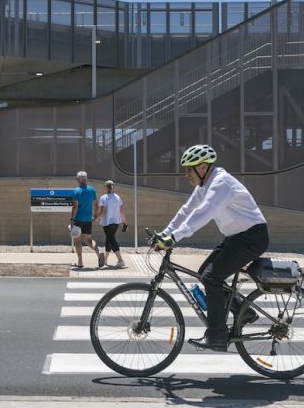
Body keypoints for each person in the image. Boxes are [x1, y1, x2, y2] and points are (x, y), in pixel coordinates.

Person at [153, 144, 268, 351]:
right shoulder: (205, 185)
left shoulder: (221, 183)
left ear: (203, 167)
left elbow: (203, 213)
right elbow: (187, 210)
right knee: (204, 274)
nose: (187, 174)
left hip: (252, 237)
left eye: (189, 169)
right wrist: (165, 233)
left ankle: (217, 335)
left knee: (211, 278)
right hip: (236, 238)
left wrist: (175, 238)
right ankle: (244, 311)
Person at [69, 171, 105, 268]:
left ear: (80, 179)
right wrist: (96, 216)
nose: (76, 180)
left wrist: (72, 219)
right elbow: (96, 204)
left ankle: (80, 262)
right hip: (88, 219)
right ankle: (99, 251)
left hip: (78, 219)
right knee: (88, 239)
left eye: (77, 178)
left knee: (77, 240)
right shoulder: (92, 190)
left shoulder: (76, 191)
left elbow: (75, 207)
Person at [98, 180, 127, 267]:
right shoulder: (118, 197)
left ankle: (121, 260)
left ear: (106, 187)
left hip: (107, 222)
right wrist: (125, 223)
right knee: (109, 240)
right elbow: (121, 211)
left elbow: (103, 211)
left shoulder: (104, 197)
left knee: (111, 240)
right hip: (116, 222)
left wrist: (96, 218)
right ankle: (105, 260)